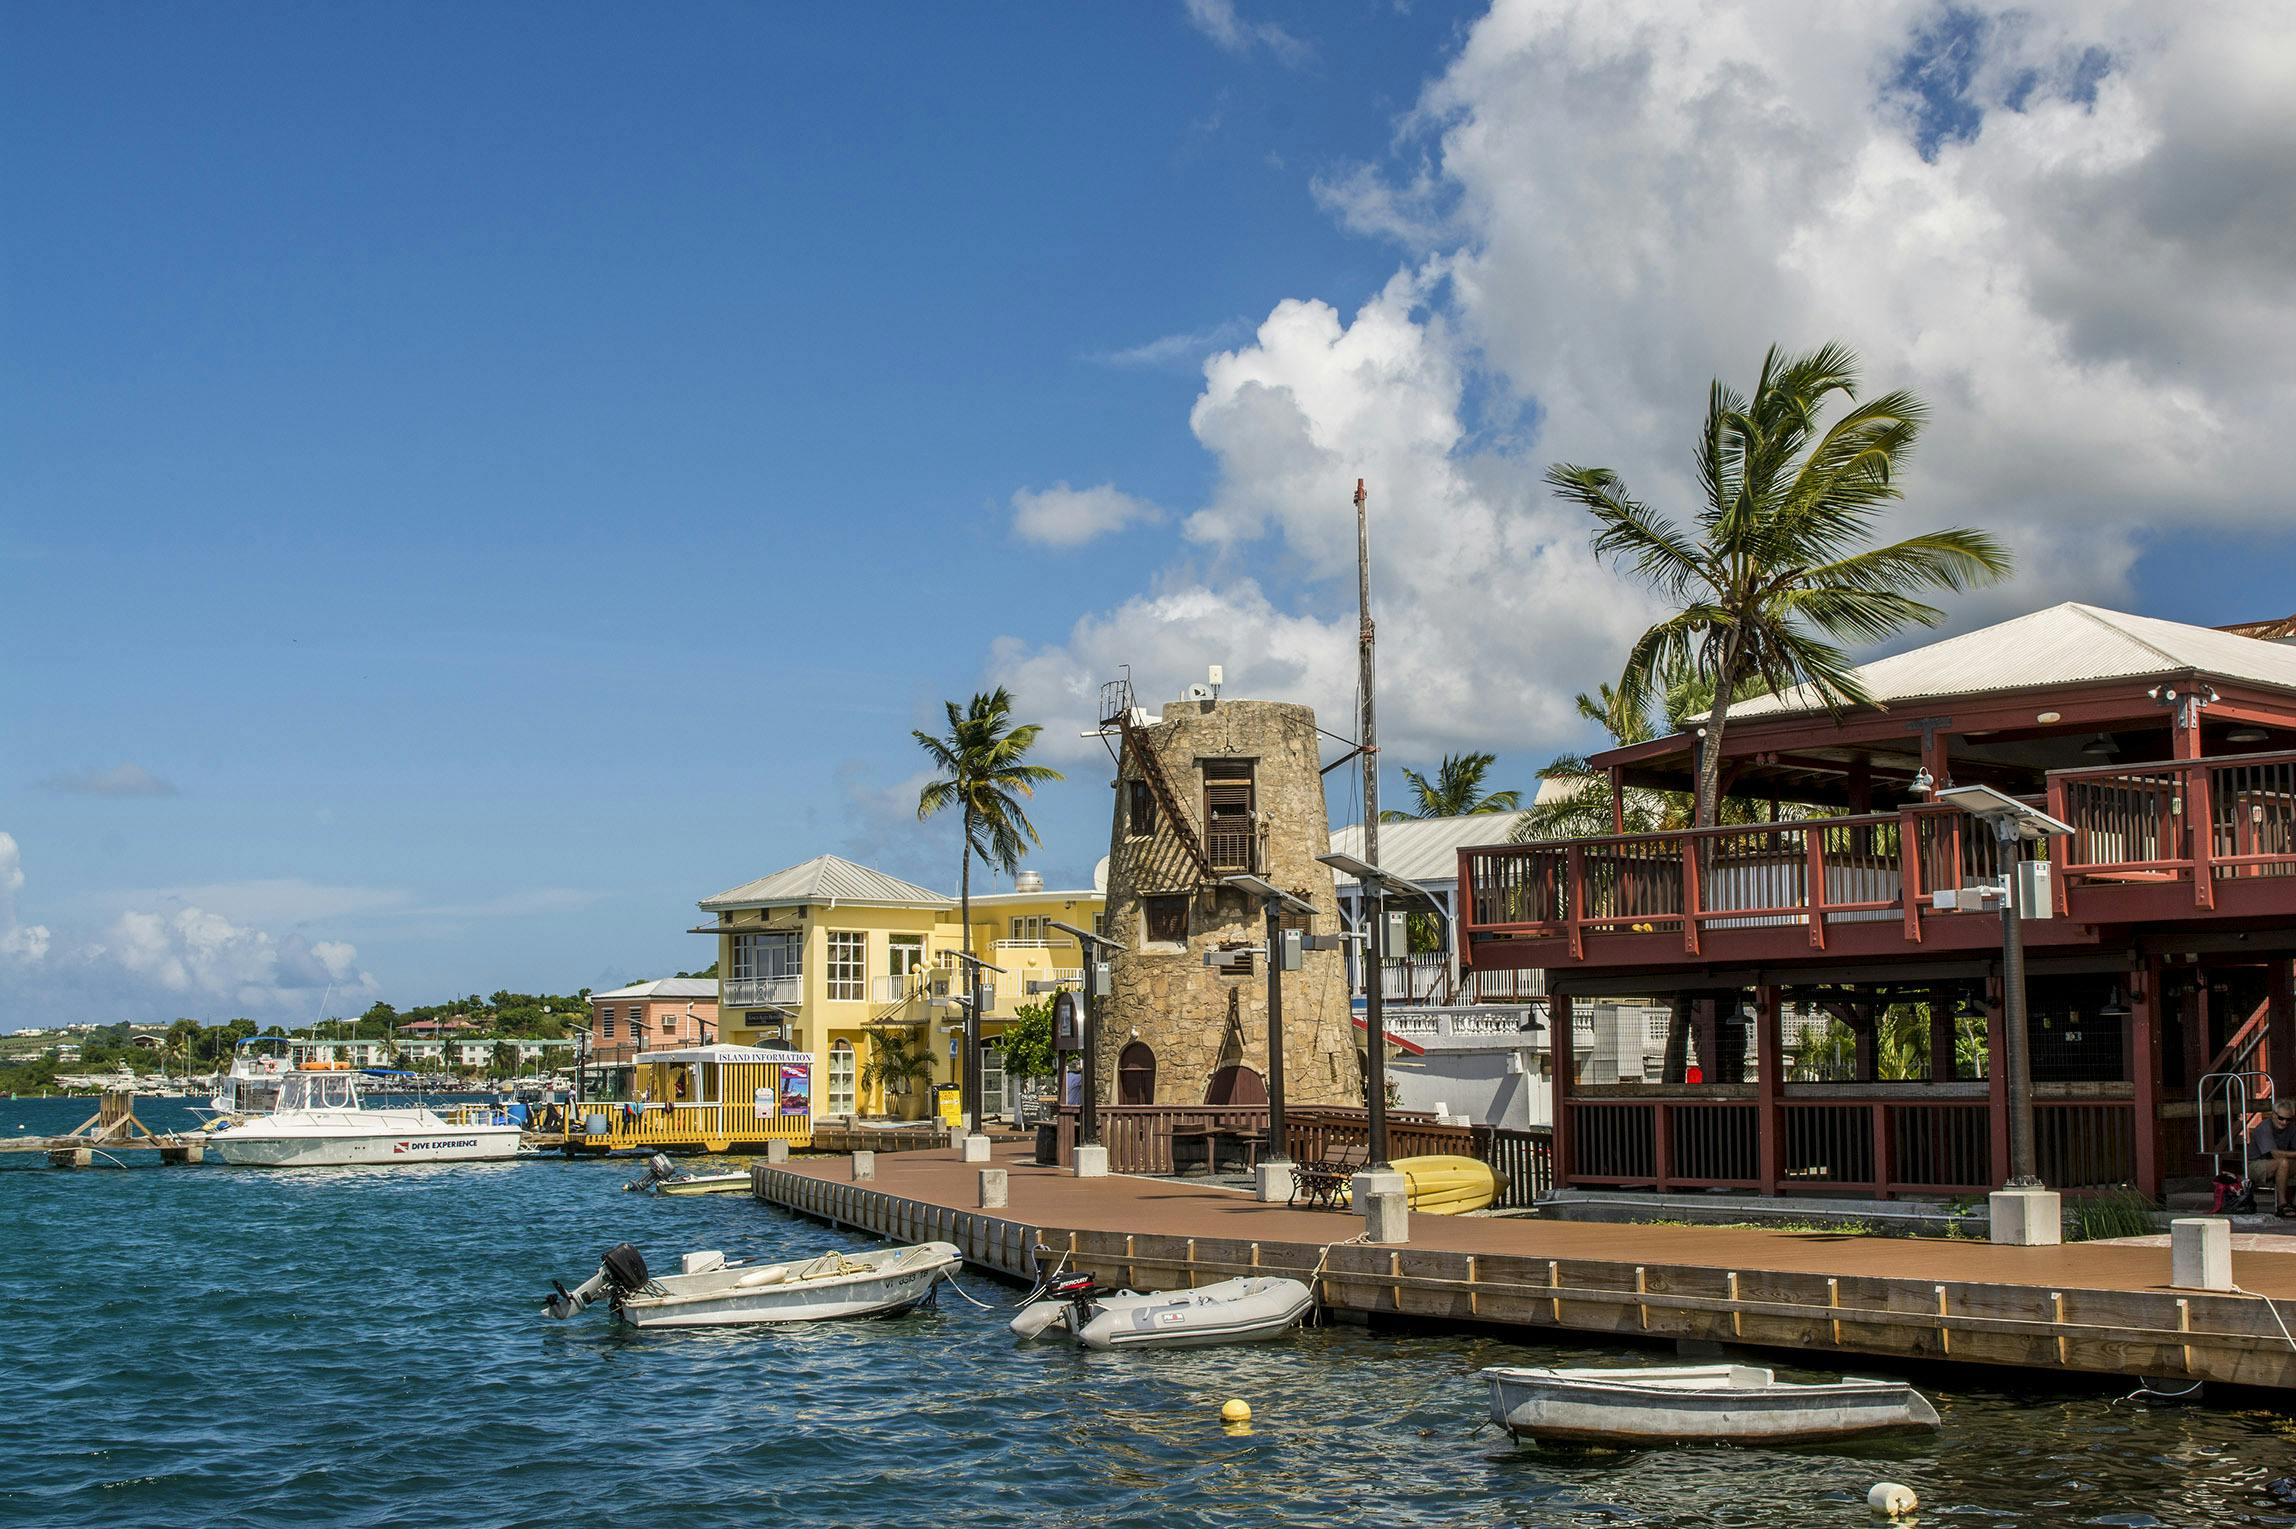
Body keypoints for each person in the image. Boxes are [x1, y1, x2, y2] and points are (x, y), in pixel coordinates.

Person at [2249, 1096, 2296, 1215]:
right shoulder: (2264, 1128)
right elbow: (2274, 1153)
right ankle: (2282, 1204)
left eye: (2288, 1119)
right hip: (2256, 1165)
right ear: (2274, 1115)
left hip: (2280, 1164)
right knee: (2283, 1162)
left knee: (2283, 1162)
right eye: (2281, 1118)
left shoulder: (2291, 1127)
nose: (2284, 1122)